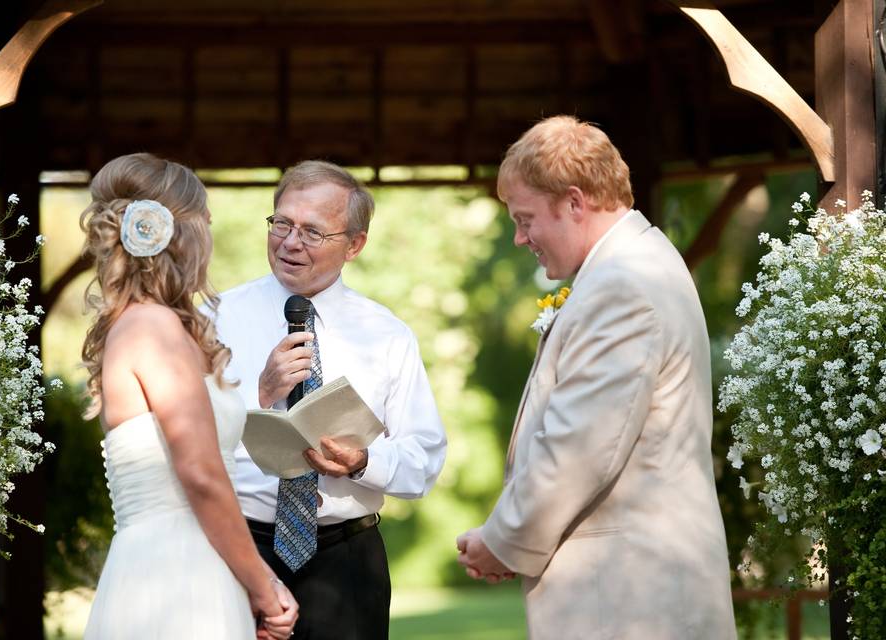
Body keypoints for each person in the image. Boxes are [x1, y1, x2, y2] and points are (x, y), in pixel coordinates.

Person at [456, 116, 736, 639]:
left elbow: (579, 448)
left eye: (525, 218)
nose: (520, 238)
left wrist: (501, 541)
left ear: (574, 202)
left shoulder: (621, 286)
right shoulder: (637, 264)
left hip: (628, 597)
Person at [212, 160, 447, 640]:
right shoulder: (214, 318)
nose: (290, 242)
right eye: (282, 223)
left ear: (354, 244)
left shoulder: (386, 335)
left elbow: (424, 457)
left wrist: (364, 461)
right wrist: (258, 394)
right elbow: (182, 438)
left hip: (346, 559)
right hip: (239, 549)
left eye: (313, 232)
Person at [79, 153, 298, 640]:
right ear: (182, 234)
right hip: (175, 575)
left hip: (193, 559)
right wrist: (264, 586)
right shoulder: (152, 328)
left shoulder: (146, 323)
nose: (210, 236)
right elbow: (201, 474)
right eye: (206, 221)